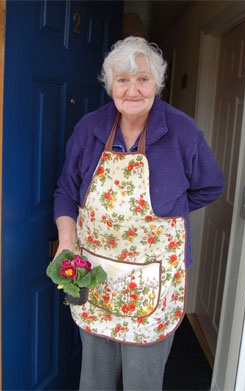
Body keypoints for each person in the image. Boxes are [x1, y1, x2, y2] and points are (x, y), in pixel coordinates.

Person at [54, 36, 225, 390]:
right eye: (123, 80)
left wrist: (166, 211)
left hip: (155, 279)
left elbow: (211, 185)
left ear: (157, 84)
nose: (133, 90)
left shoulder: (182, 131)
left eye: (143, 79)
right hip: (95, 274)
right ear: (110, 85)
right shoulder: (89, 129)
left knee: (142, 380)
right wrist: (67, 241)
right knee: (95, 377)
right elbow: (66, 192)